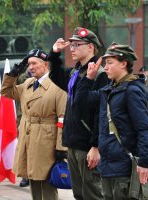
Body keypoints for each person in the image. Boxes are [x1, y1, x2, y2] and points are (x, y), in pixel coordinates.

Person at [76, 42, 148, 199]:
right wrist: (89, 78)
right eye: (105, 63)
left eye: (110, 63)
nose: (105, 67)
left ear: (124, 63)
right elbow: (80, 102)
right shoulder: (109, 90)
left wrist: (145, 162)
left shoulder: (132, 90)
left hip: (123, 167)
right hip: (107, 167)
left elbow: (144, 128)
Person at [48, 27, 108, 200]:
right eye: (71, 45)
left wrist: (95, 146)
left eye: (77, 44)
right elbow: (56, 76)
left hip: (88, 145)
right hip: (73, 142)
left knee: (93, 193)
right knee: (79, 194)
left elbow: (100, 113)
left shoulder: (99, 74)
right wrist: (55, 54)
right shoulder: (76, 72)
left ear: (91, 47)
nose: (72, 48)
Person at [0, 49, 68, 200]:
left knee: (47, 181)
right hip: (28, 136)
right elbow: (5, 91)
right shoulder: (28, 83)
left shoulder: (57, 86)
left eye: (34, 63)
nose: (30, 67)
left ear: (45, 65)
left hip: (46, 138)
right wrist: (14, 73)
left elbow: (63, 118)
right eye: (28, 64)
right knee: (33, 178)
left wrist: (61, 148)